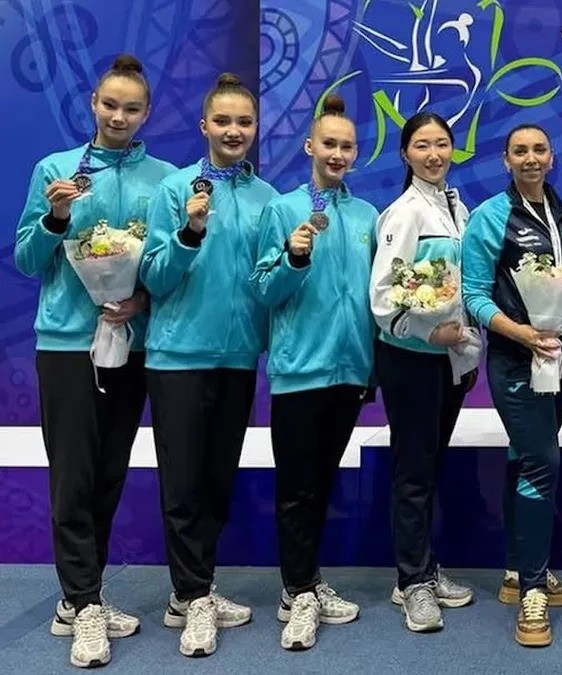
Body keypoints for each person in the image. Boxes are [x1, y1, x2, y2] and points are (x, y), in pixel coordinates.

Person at [14, 54, 175, 670]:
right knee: (73, 476)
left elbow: (165, 264)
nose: (119, 117)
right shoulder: (55, 170)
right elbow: (27, 259)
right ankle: (83, 604)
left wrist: (140, 300)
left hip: (130, 343)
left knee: (108, 474)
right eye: (110, 105)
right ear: (93, 104)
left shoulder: (165, 179)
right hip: (65, 345)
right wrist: (56, 217)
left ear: (146, 114)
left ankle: (81, 595)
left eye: (131, 109)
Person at [140, 72, 278, 658]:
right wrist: (189, 232)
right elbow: (153, 276)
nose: (233, 130)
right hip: (177, 357)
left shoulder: (268, 198)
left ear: (256, 128)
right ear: (204, 127)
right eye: (223, 121)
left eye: (243, 122)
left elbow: (269, 280)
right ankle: (193, 596)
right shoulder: (174, 189)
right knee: (183, 481)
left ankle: (194, 587)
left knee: (218, 481)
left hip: (239, 357)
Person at [462, 124, 562, 647]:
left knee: (525, 456)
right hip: (517, 359)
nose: (530, 158)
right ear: (506, 159)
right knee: (543, 461)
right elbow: (474, 294)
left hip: (561, 360)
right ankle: (534, 591)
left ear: (552, 157)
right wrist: (519, 332)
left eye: (539, 149)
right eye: (520, 151)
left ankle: (517, 570)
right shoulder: (491, 216)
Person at [250, 95, 375, 651]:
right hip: (300, 370)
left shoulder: (367, 216)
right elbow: (262, 288)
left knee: (321, 484)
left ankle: (307, 579)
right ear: (310, 147)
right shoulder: (282, 210)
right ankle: (297, 592)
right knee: (297, 488)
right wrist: (294, 257)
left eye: (347, 146)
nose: (338, 154)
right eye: (329, 144)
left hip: (350, 372)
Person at [371, 112, 477, 634]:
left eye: (441, 144)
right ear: (405, 154)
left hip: (448, 359)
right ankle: (411, 581)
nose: (433, 154)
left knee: (429, 466)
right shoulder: (403, 212)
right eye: (421, 146)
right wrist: (424, 330)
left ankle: (424, 568)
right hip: (410, 359)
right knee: (413, 472)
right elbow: (382, 296)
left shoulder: (456, 206)